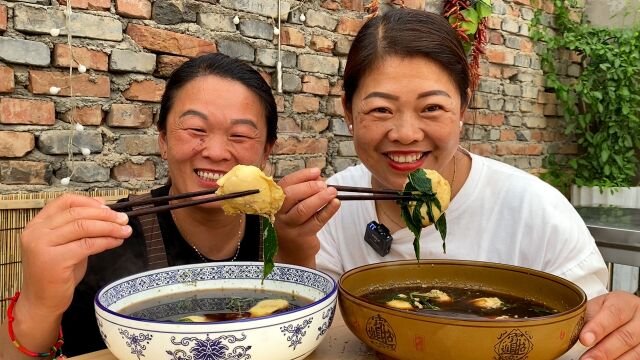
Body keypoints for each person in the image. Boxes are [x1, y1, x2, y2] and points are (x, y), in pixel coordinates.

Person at [277, 8, 640, 360]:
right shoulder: (330, 207)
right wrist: (292, 250)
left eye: (432, 108)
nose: (405, 133)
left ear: (463, 108)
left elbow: (591, 325)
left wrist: (622, 323)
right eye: (380, 110)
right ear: (348, 112)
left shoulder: (536, 208)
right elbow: (309, 334)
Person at [0, 53, 328, 358]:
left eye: (240, 135)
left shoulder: (278, 231)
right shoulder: (106, 239)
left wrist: (296, 253)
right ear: (163, 140)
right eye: (196, 129)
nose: (215, 151)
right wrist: (38, 302)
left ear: (266, 151)